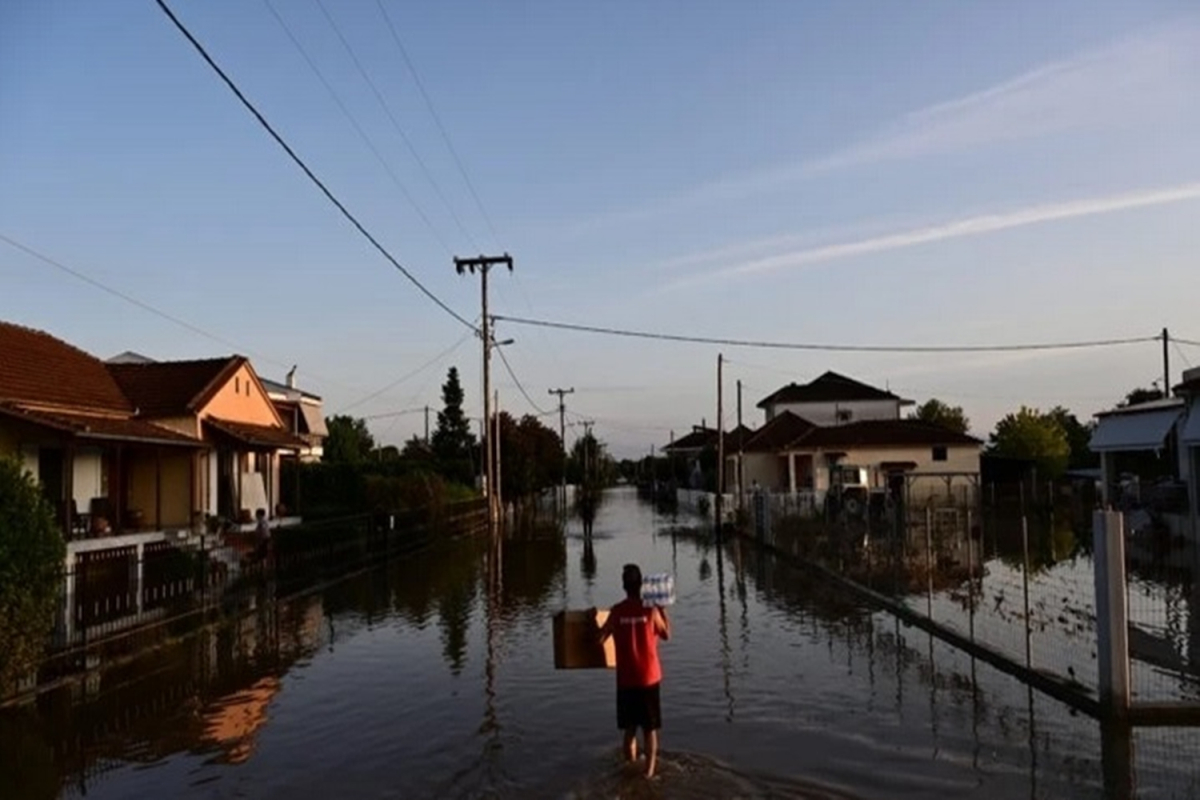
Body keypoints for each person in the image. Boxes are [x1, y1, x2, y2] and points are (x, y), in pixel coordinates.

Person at [595, 563, 670, 778]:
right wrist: (663, 609)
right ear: (641, 585)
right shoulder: (650, 610)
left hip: (626, 679)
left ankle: (630, 768)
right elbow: (667, 634)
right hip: (649, 678)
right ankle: (648, 774)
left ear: (624, 586)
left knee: (630, 729)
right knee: (650, 729)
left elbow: (600, 639)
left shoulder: (617, 612)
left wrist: (593, 622)